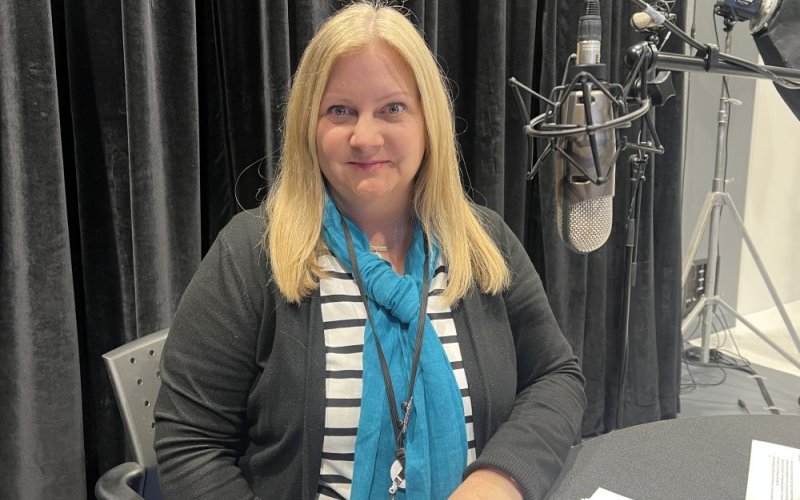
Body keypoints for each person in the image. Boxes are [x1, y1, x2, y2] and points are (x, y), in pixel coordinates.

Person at [153, 2, 586, 499]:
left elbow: (555, 377)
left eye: (392, 109)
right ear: (308, 127)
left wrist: (500, 478)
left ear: (429, 123)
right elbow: (190, 443)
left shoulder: (484, 243)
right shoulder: (250, 256)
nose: (365, 137)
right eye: (340, 111)